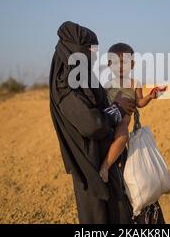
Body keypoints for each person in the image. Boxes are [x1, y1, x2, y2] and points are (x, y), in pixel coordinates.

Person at [49, 21, 136, 224]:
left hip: (103, 159)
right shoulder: (66, 86)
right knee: (99, 218)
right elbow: (92, 124)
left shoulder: (81, 78)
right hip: (90, 165)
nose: (94, 56)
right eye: (91, 50)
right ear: (75, 50)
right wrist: (118, 109)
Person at [98, 43, 165, 183]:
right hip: (108, 120)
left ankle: (105, 166)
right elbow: (102, 104)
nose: (120, 66)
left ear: (132, 65)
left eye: (125, 62)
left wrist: (150, 97)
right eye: (115, 62)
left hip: (123, 121)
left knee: (122, 139)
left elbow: (139, 103)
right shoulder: (107, 84)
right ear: (109, 65)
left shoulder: (135, 83)